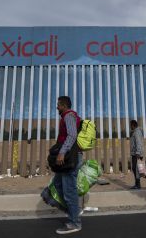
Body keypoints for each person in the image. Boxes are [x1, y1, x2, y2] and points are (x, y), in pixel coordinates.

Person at [53, 96, 83, 234]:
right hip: (69, 157)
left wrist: (62, 152)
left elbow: (72, 135)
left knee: (69, 190)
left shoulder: (69, 116)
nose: (57, 107)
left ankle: (74, 222)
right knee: (58, 184)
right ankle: (73, 210)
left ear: (64, 105)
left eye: (58, 105)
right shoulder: (68, 116)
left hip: (70, 158)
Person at [129, 120, 146, 189]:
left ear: (133, 125)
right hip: (136, 153)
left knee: (137, 168)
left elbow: (139, 143)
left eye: (130, 125)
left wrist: (138, 152)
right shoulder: (136, 132)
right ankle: (140, 183)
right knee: (138, 169)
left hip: (137, 154)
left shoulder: (137, 132)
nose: (130, 127)